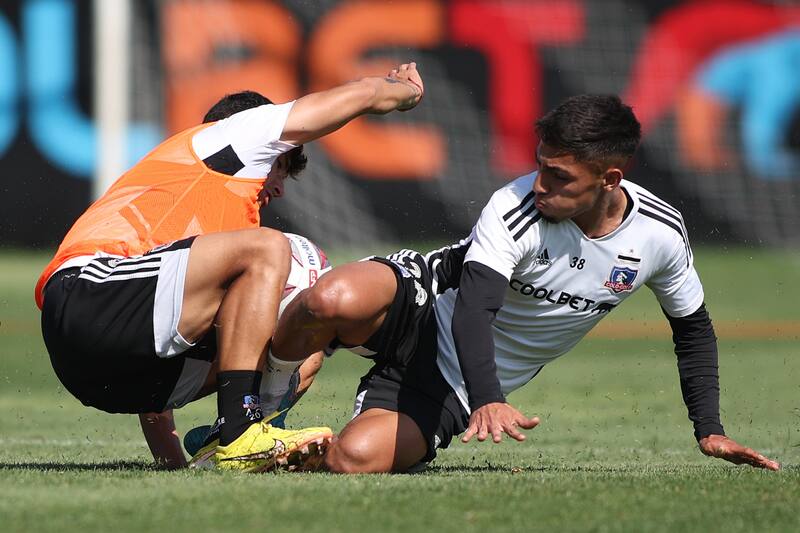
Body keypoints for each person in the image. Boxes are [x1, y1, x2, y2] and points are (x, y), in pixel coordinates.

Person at [262, 94, 781, 473]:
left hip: (449, 381)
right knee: (330, 297)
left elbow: (693, 331)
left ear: (610, 180)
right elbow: (474, 309)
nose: (540, 185)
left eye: (560, 177)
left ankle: (301, 448)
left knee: (352, 459)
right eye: (540, 167)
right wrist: (489, 398)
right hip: (421, 302)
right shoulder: (515, 208)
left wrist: (709, 430)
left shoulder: (659, 235)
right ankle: (256, 413)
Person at [35, 62, 426, 471]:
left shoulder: (205, 226)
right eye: (280, 166)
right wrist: (404, 92)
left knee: (301, 341)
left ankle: (230, 441)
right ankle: (242, 430)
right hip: (87, 292)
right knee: (285, 256)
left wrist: (172, 466)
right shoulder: (234, 134)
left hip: (111, 378)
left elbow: (154, 335)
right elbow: (361, 95)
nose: (279, 187)